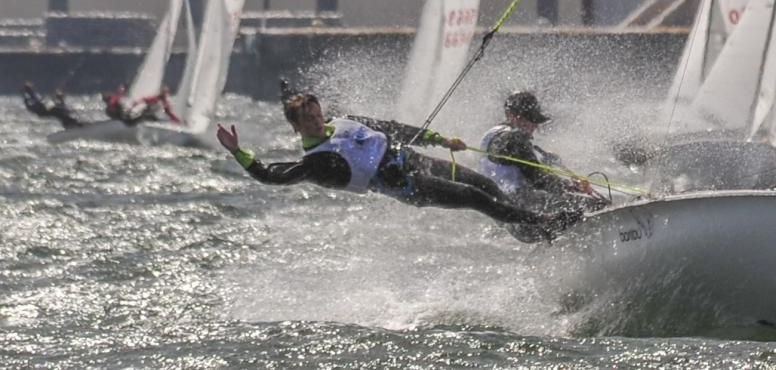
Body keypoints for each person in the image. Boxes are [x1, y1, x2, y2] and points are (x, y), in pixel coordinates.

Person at [216, 93, 575, 240]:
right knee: (472, 197)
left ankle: (527, 229)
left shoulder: (343, 121)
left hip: (419, 161)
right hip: (409, 186)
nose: (314, 120)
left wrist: (438, 138)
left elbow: (393, 129)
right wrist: (238, 152)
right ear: (295, 127)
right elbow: (272, 176)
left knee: (486, 185)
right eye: (306, 120)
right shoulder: (317, 163)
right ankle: (545, 224)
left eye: (315, 113)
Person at [480, 91, 608, 240]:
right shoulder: (515, 138)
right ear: (512, 116)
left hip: (508, 218)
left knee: (567, 212)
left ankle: (563, 245)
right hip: (526, 210)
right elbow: (539, 180)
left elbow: (519, 166)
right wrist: (572, 186)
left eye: (535, 120)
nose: (534, 126)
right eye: (530, 120)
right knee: (596, 205)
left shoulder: (490, 136)